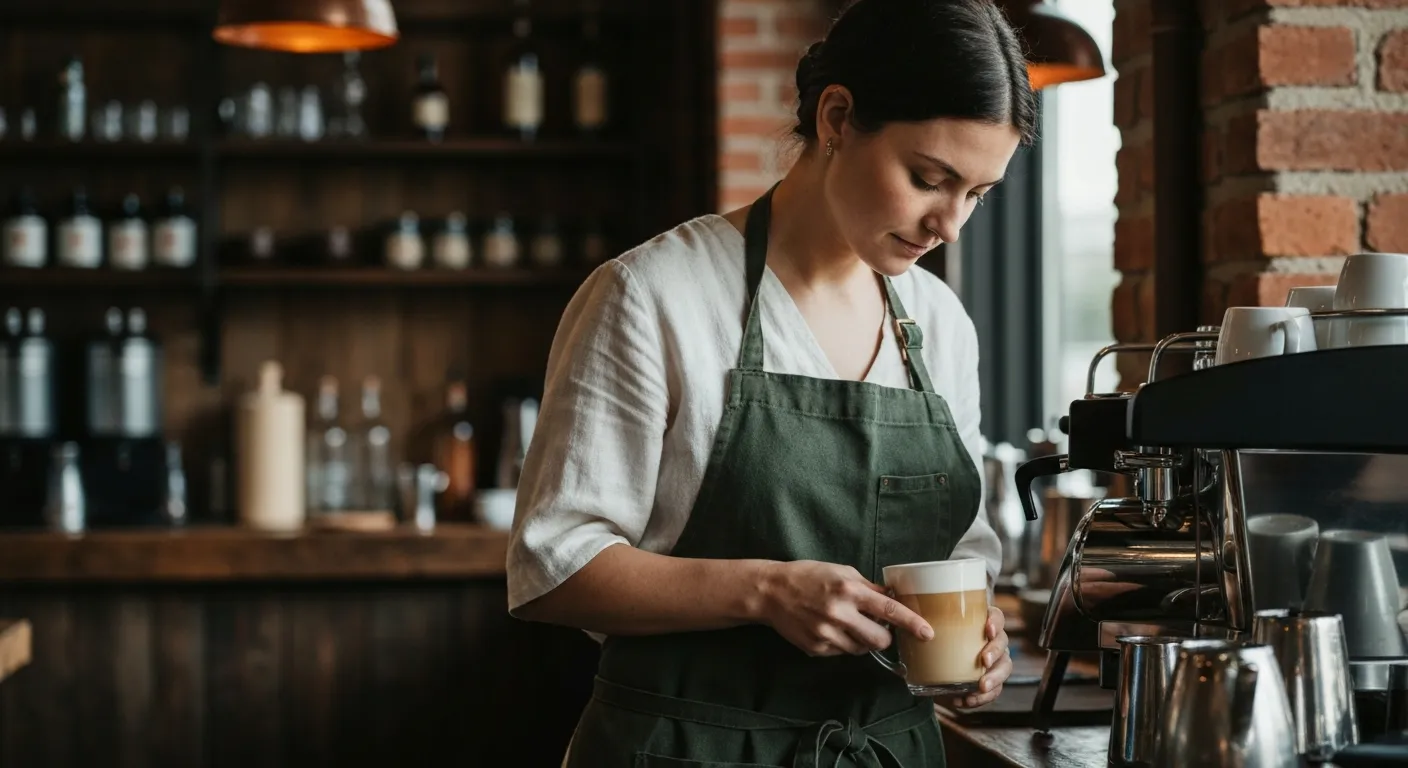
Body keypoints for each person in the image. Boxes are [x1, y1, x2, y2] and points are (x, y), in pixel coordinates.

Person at [507, 0, 1037, 764]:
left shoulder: (940, 322)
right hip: (687, 748)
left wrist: (979, 634)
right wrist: (766, 592)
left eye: (978, 195)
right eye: (929, 178)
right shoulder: (655, 295)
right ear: (837, 118)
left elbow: (961, 551)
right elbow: (553, 567)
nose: (949, 224)